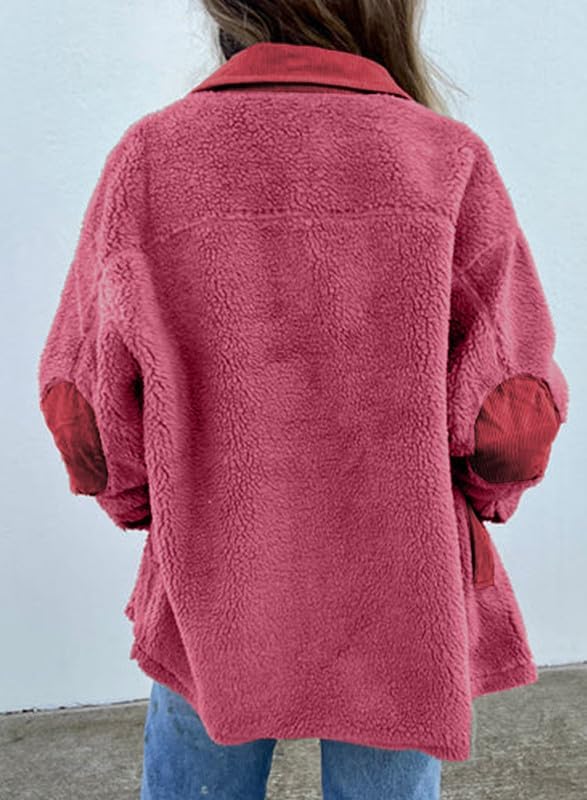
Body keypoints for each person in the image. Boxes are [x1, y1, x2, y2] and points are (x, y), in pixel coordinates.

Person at [37, 1, 569, 798]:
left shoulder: (150, 157)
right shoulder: (442, 156)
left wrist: (148, 504)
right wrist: (477, 498)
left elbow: (82, 405)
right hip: (401, 575)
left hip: (214, 564)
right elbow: (511, 418)